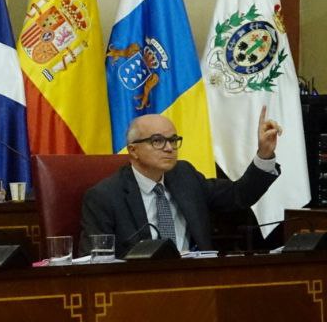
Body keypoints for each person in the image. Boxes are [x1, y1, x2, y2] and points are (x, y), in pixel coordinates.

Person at [81, 109, 282, 257]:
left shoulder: (185, 175)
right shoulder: (104, 197)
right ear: (133, 151)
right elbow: (97, 261)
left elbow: (238, 196)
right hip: (141, 291)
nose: (169, 148)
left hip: (197, 282)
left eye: (173, 140)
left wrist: (264, 154)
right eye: (158, 141)